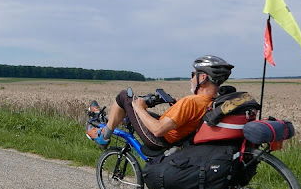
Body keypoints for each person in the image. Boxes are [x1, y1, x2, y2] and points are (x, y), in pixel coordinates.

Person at [89, 55, 234, 151]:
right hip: (177, 137)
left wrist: (139, 109)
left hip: (159, 139)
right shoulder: (214, 102)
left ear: (202, 77)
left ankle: (103, 136)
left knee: (124, 97)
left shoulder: (191, 102)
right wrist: (177, 106)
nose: (191, 79)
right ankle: (107, 120)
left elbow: (158, 130)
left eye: (192, 75)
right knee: (131, 111)